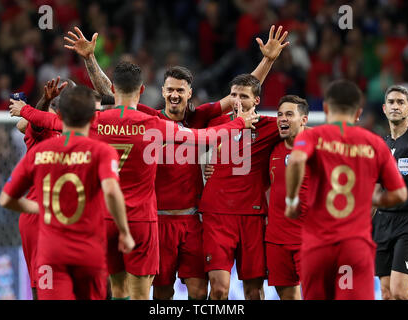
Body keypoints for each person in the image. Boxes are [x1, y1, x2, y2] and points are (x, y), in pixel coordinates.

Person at [63, 24, 289, 300]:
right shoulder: (150, 119)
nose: (174, 95)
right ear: (162, 90)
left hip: (191, 220)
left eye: (180, 91)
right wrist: (90, 59)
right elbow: (113, 91)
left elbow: (239, 96)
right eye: (170, 89)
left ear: (189, 93)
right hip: (155, 220)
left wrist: (267, 60)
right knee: (160, 293)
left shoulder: (200, 117)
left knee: (197, 291)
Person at [9, 61, 259, 300]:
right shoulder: (153, 124)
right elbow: (204, 137)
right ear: (142, 90)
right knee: (140, 294)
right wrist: (239, 123)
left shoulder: (96, 121)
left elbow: (53, 121)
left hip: (105, 218)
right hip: (141, 220)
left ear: (113, 90)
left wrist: (26, 110)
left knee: (117, 289)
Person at [0, 85, 135, 300]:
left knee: (49, 288)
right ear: (92, 118)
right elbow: (111, 190)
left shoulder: (43, 152)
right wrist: (124, 231)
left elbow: (6, 198)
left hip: (51, 239)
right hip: (63, 231)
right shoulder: (98, 149)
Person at [284, 79, 408, 300]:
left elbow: (295, 161)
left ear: (324, 108)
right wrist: (373, 200)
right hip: (354, 246)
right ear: (358, 112)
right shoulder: (375, 143)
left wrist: (292, 201)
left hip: (317, 246)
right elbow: (400, 193)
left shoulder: (311, 136)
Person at [199, 74, 282, 300]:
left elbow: (299, 129)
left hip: (251, 216)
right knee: (218, 289)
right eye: (233, 95)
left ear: (256, 101)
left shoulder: (269, 126)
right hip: (217, 215)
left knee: (254, 291)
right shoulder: (216, 123)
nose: (237, 100)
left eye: (243, 96)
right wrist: (209, 163)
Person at [16, 77, 66, 300]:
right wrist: (44, 102)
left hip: (69, 218)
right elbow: (36, 121)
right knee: (43, 286)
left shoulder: (79, 130)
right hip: (40, 219)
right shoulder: (43, 129)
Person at [373, 85, 408, 300]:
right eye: (391, 102)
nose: (395, 106)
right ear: (384, 109)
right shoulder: (380, 145)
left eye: (401, 102)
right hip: (383, 224)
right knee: (386, 294)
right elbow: (374, 193)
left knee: (400, 292)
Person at [265, 95, 309, 300]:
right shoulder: (272, 149)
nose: (282, 118)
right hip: (276, 240)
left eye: (289, 114)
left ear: (304, 120)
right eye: (280, 114)